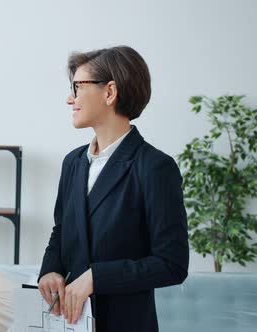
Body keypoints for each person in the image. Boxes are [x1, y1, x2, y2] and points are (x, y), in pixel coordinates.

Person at [38, 46, 189, 332]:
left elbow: (172, 264)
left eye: (77, 87)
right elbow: (61, 231)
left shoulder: (155, 167)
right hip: (70, 323)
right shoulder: (73, 162)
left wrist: (96, 277)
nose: (70, 99)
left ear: (109, 92)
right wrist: (50, 270)